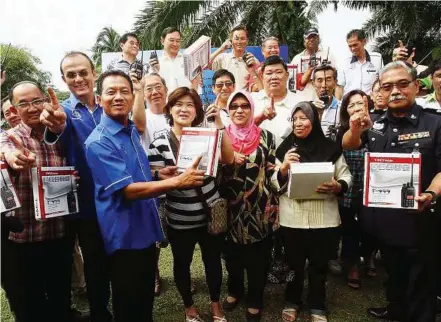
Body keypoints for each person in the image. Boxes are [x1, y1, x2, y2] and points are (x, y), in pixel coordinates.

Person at [84, 70, 207, 322]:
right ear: (99, 98)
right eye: (111, 91)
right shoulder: (99, 141)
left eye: (124, 91)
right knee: (128, 302)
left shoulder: (129, 130)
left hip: (145, 229)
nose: (118, 97)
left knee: (143, 299)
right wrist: (177, 182)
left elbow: (134, 174)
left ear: (132, 97)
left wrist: (158, 174)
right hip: (125, 234)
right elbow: (127, 190)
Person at [40, 51, 142, 322]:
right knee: (95, 265)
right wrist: (58, 125)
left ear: (93, 72)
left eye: (83, 72)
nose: (78, 78)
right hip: (87, 206)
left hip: (121, 197)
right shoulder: (63, 111)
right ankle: (100, 313)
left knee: (123, 263)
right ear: (63, 79)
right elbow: (56, 128)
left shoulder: (110, 102)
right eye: (71, 74)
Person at [342, 61, 441, 322]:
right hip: (383, 220)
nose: (394, 91)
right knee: (394, 274)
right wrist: (355, 128)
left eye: (402, 84)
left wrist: (430, 194)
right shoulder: (373, 122)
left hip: (421, 219)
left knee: (421, 284)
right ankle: (395, 309)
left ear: (416, 86)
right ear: (380, 92)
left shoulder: (434, 123)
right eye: (387, 87)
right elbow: (348, 144)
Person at [147, 86, 234, 322]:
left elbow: (229, 159)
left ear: (197, 110)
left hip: (210, 214)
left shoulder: (209, 135)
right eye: (178, 104)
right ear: (169, 109)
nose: (183, 109)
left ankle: (216, 306)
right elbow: (154, 176)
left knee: (213, 262)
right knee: (182, 263)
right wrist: (173, 179)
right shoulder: (159, 142)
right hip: (180, 218)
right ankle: (190, 309)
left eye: (190, 105)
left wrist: (219, 126)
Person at [274, 101, 352, 322]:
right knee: (293, 264)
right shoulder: (284, 148)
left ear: (314, 120)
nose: (299, 123)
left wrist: (338, 186)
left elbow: (346, 176)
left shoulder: (330, 148)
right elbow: (272, 183)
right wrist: (283, 167)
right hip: (292, 217)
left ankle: (317, 304)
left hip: (324, 218)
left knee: (319, 265)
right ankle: (292, 300)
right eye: (295, 118)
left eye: (304, 118)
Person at [1, 82, 72, 322]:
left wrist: (73, 179)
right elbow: (7, 151)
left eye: (36, 101)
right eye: (23, 103)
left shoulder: (60, 136)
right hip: (24, 237)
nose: (31, 108)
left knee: (61, 296)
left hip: (59, 233)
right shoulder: (9, 137)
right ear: (14, 108)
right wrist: (14, 158)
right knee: (29, 304)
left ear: (44, 100)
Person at [221, 90, 278, 322]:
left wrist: (282, 174)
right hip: (229, 209)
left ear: (252, 109)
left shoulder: (267, 137)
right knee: (232, 255)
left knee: (258, 259)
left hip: (259, 208)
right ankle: (235, 290)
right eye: (234, 106)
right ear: (228, 110)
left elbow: (272, 168)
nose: (239, 110)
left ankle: (255, 298)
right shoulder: (220, 136)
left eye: (245, 105)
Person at [337, 89, 375, 289]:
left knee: (371, 227)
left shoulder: (379, 128)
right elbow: (349, 144)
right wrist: (356, 130)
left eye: (360, 103)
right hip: (349, 189)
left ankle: (368, 257)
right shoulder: (343, 130)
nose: (356, 107)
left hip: (374, 188)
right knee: (350, 229)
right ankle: (351, 265)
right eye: (350, 105)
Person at [253, 55, 301, 147]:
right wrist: (261, 117)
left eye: (279, 72)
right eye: (269, 73)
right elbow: (240, 130)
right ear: (261, 76)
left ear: (287, 75)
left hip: (291, 157)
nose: (274, 77)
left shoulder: (300, 102)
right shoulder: (250, 101)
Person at [291, 28, 337, 101]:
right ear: (304, 40)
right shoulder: (296, 59)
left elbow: (335, 79)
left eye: (314, 37)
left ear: (318, 39)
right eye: (309, 38)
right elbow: (291, 85)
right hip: (302, 100)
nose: (311, 40)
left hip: (324, 99)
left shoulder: (328, 55)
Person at [336, 29, 383, 99]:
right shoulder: (344, 62)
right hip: (351, 103)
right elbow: (339, 87)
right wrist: (339, 106)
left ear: (364, 41)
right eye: (350, 46)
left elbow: (382, 81)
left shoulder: (377, 58)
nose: (353, 49)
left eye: (355, 45)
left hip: (371, 102)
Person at [210, 25, 259, 91]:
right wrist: (221, 49)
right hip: (227, 99)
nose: (239, 42)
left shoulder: (252, 60)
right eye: (236, 38)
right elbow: (206, 64)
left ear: (247, 41)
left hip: (245, 99)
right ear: (231, 41)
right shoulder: (223, 58)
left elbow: (259, 84)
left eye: (242, 38)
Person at [157, 27, 197, 93]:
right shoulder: (156, 64)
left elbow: (196, 85)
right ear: (162, 41)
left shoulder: (188, 60)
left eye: (178, 41)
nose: (175, 44)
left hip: (186, 101)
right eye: (171, 40)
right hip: (166, 103)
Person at [311, 64, 340, 139]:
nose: (324, 85)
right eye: (319, 80)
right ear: (313, 84)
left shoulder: (342, 108)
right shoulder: (307, 109)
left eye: (328, 80)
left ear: (335, 83)